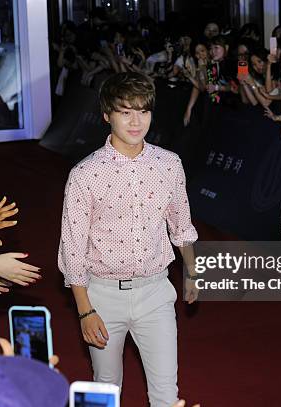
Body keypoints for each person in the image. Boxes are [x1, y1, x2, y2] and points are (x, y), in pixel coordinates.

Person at [58, 71, 199, 407]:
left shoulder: (169, 164)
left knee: (166, 393)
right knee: (106, 389)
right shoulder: (85, 174)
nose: (137, 122)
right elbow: (72, 250)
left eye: (143, 111)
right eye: (126, 112)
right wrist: (84, 311)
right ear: (107, 115)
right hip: (102, 297)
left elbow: (181, 224)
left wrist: (192, 271)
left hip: (155, 293)